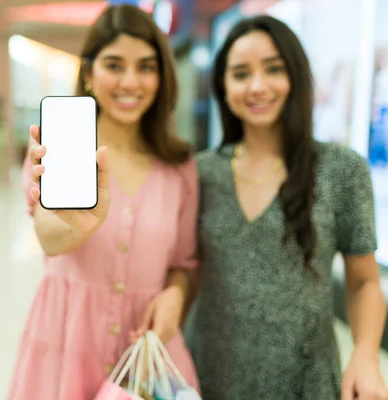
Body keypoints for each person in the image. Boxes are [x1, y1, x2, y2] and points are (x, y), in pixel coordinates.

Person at [182, 15, 388, 400]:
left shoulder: (341, 170)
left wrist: (365, 353)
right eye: (241, 74)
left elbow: (363, 281)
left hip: (303, 381)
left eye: (273, 69)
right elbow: (187, 272)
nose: (257, 86)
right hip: (207, 374)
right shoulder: (200, 172)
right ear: (224, 87)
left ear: (296, 75)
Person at [7, 4, 200, 400]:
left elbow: (183, 262)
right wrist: (77, 226)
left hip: (148, 353)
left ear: (162, 77)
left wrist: (176, 295)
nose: (131, 81)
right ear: (90, 73)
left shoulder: (179, 167)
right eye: (114, 65)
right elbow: (48, 237)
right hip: (65, 344)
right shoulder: (55, 147)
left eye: (146, 67)